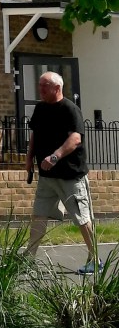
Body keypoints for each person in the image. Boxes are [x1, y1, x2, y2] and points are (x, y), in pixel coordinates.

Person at [25, 71, 99, 274]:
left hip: (70, 175)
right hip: (46, 176)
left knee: (81, 218)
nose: (40, 89)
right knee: (39, 215)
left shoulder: (70, 109)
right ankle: (29, 258)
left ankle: (96, 259)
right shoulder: (40, 109)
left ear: (57, 88)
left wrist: (55, 156)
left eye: (44, 85)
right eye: (39, 85)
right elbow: (35, 135)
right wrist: (29, 158)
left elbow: (75, 139)